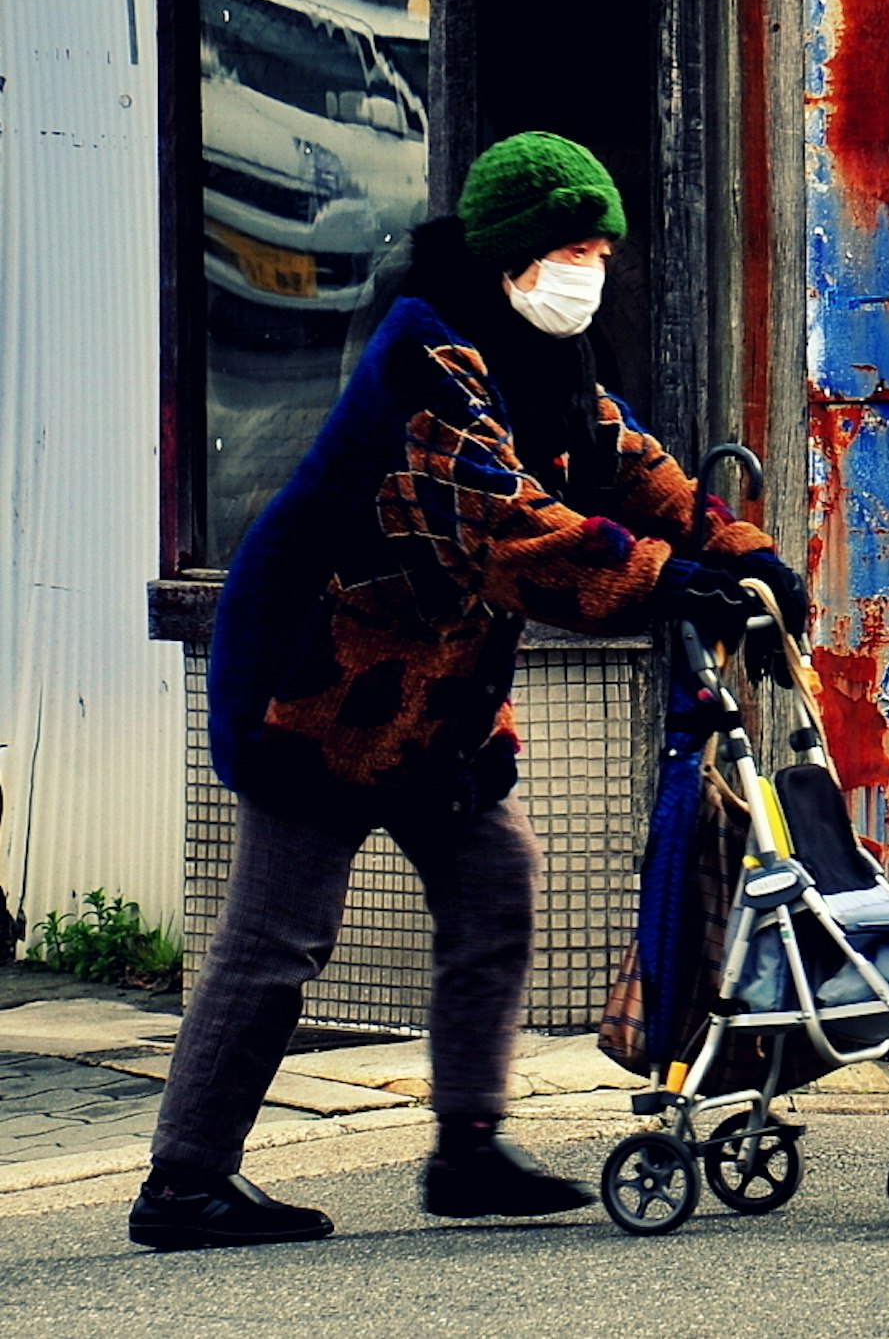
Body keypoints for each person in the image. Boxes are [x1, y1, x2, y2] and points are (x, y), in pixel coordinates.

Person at [132, 133, 810, 1252]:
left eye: (601, 245)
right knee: (278, 935)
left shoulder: (545, 363)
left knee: (495, 878)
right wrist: (664, 580)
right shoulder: (427, 364)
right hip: (320, 679)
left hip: (435, 691)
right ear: (509, 254)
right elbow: (507, 527)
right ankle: (185, 1179)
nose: (591, 265)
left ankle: (467, 1148)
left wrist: (731, 544)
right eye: (572, 245)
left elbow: (630, 464)